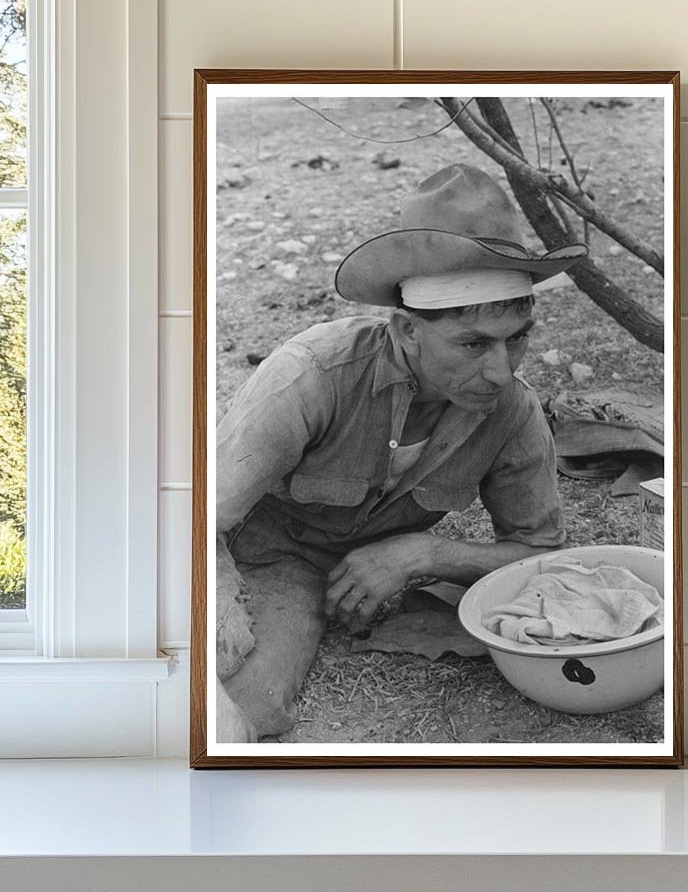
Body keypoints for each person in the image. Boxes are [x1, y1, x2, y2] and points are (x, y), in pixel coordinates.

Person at [215, 163, 587, 741]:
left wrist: (423, 554)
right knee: (233, 702)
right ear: (407, 329)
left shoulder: (513, 410)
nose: (499, 371)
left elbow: (539, 554)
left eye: (518, 339)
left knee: (248, 700)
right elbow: (197, 518)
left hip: (337, 571)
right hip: (261, 556)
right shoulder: (312, 376)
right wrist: (220, 602)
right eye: (472, 344)